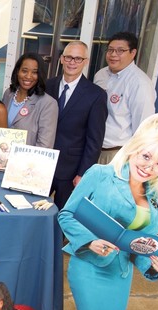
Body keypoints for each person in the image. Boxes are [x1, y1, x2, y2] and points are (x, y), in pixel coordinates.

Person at [58, 112, 158, 310]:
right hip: (89, 266)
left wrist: (155, 263)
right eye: (146, 156)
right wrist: (90, 242)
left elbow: (142, 246)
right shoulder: (100, 175)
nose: (149, 167)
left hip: (120, 274)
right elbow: (66, 215)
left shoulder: (157, 199)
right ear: (134, 148)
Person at [46, 41, 108, 210]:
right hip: (43, 164)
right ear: (61, 59)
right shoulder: (47, 86)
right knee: (32, 210)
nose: (72, 62)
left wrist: (83, 173)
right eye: (68, 57)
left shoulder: (96, 95)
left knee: (63, 216)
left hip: (71, 169)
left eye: (78, 58)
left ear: (85, 61)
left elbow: (95, 140)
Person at [94, 32, 156, 164]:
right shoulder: (101, 75)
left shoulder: (139, 83)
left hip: (116, 154)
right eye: (110, 50)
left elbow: (143, 127)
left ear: (133, 53)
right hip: (92, 148)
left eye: (120, 50)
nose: (113, 54)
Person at [2, 53, 58, 148]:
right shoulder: (8, 94)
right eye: (24, 71)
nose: (28, 76)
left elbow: (45, 145)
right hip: (1, 157)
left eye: (34, 72)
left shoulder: (48, 104)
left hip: (27, 161)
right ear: (17, 71)